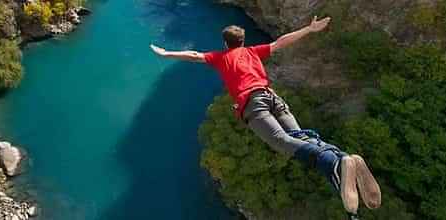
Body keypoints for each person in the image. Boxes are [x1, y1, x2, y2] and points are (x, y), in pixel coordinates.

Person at [149, 16, 381, 218]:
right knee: (299, 137)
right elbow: (281, 42)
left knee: (280, 141)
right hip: (273, 97)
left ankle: (336, 164)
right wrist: (309, 29)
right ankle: (343, 158)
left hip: (254, 104)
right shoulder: (252, 51)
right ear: (243, 41)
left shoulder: (220, 58)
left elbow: (194, 55)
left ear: (225, 43)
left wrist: (167, 53)